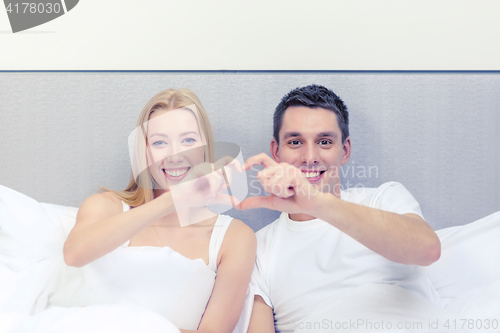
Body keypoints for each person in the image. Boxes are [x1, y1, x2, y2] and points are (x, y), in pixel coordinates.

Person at [239, 85, 443, 333]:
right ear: (276, 151)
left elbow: (428, 250)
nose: (310, 156)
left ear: (344, 150)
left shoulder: (384, 199)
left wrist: (316, 202)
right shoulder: (258, 250)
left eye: (324, 142)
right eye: (295, 142)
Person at [53, 89, 256, 333]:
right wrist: (174, 200)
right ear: (144, 152)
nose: (174, 155)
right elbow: (74, 254)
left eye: (188, 140)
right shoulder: (107, 206)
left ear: (205, 148)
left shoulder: (235, 238)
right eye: (160, 142)